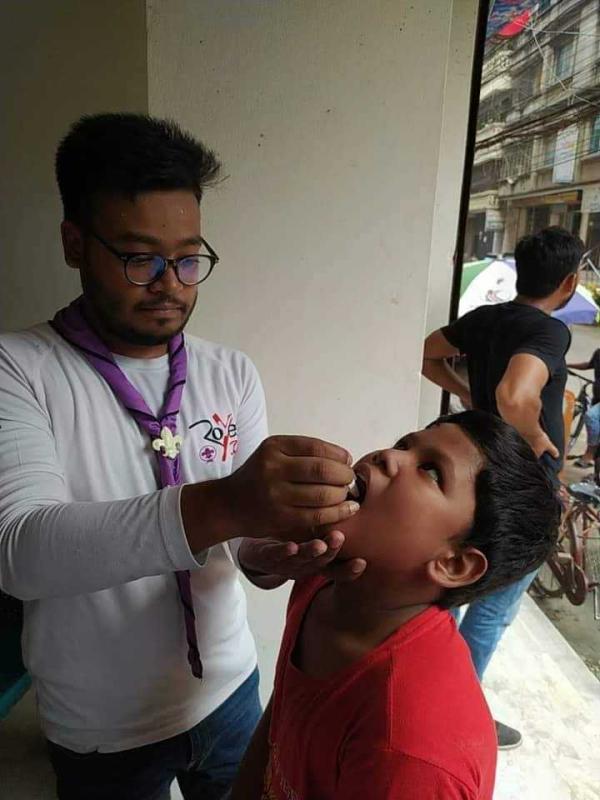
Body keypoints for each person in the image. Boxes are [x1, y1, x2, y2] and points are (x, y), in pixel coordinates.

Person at [0, 113, 365, 800]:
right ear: (75, 244)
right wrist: (226, 501)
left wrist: (270, 554)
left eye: (189, 258)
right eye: (139, 258)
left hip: (230, 691)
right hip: (101, 727)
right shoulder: (18, 369)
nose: (170, 283)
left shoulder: (231, 372)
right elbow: (20, 552)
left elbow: (242, 544)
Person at [231, 411, 560, 800]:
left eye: (431, 471)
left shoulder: (412, 752)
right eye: (404, 444)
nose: (389, 456)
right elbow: (280, 725)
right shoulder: (323, 582)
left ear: (454, 564)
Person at [421, 226, 584, 748]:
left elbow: (426, 353)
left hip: (479, 470)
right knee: (493, 608)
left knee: (458, 588)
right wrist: (536, 438)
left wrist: (470, 394)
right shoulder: (550, 331)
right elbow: (516, 395)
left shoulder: (486, 318)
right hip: (523, 484)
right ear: (569, 282)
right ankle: (456, 714)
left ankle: (429, 693)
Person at [567, 348, 600, 469]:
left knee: (592, 416)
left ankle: (590, 454)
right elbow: (588, 365)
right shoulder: (598, 353)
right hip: (597, 398)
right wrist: (566, 365)